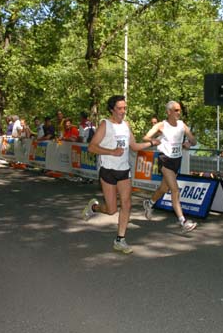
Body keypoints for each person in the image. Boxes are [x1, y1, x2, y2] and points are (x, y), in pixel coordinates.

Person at [82, 95, 158, 254]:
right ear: (112, 109)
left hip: (124, 171)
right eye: (120, 108)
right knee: (111, 210)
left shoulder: (126, 125)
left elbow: (134, 146)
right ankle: (94, 207)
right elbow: (91, 147)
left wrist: (151, 143)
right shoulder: (105, 124)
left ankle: (120, 239)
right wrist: (112, 152)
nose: (123, 111)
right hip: (108, 171)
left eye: (124, 108)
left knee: (127, 204)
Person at [142, 101, 198, 233]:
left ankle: (149, 203)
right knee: (175, 190)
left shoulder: (182, 125)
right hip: (165, 159)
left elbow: (194, 140)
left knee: (163, 188)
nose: (179, 113)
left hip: (176, 160)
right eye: (176, 110)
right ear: (169, 112)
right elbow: (145, 137)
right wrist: (153, 141)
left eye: (179, 110)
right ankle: (183, 222)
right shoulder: (161, 125)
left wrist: (188, 143)